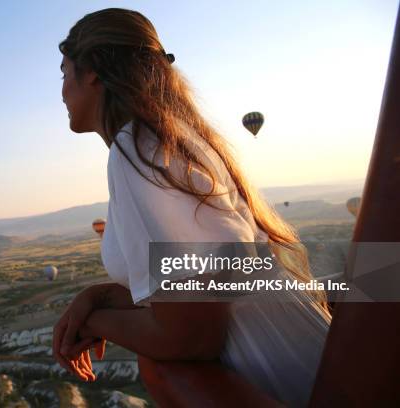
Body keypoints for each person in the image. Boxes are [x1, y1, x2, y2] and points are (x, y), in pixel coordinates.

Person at [52, 8, 331, 407]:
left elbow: (190, 336)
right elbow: (204, 282)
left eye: (64, 73)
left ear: (92, 70)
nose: (62, 90)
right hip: (306, 359)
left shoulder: (137, 151)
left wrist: (93, 323)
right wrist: (99, 297)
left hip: (292, 378)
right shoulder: (168, 141)